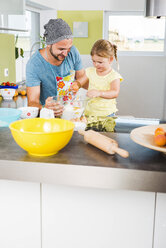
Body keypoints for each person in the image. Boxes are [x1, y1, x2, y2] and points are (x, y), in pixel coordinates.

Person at [26, 18, 86, 117]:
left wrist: (78, 83)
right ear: (49, 44)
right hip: (49, 116)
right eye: (61, 49)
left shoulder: (73, 52)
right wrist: (46, 109)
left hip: (72, 113)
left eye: (69, 48)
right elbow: (32, 102)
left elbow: (83, 77)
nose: (66, 54)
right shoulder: (34, 64)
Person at [72, 39, 123, 130]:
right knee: (89, 137)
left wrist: (99, 93)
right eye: (93, 61)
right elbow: (81, 81)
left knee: (105, 138)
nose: (96, 65)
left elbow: (115, 92)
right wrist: (76, 85)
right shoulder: (90, 71)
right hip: (89, 115)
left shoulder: (114, 76)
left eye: (100, 62)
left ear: (110, 59)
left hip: (106, 116)